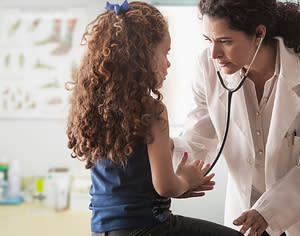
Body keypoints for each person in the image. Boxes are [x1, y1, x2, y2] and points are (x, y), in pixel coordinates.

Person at [172, 0, 300, 235]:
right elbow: (198, 138)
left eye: (225, 41)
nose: (215, 53)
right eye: (210, 41)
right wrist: (167, 152)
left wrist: (268, 211)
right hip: (247, 214)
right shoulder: (207, 67)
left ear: (259, 33)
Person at [66, 1, 243, 235]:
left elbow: (131, 172)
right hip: (149, 227)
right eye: (165, 53)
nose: (168, 63)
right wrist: (186, 179)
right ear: (142, 55)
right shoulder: (151, 110)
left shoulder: (93, 108)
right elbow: (166, 186)